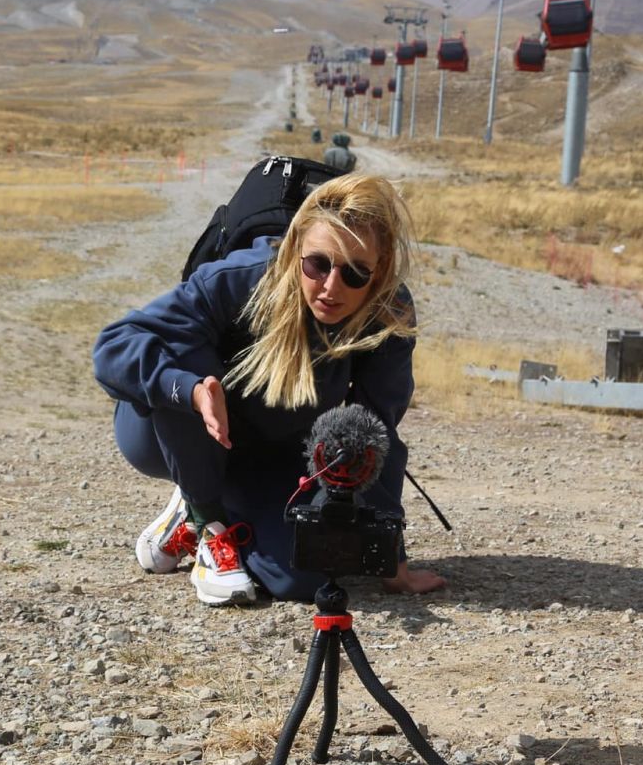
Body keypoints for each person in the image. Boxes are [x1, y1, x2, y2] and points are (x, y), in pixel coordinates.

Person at [92, 172, 446, 606]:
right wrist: (190, 390)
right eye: (318, 264)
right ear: (296, 248)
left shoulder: (389, 315)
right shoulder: (239, 279)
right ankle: (207, 518)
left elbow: (371, 432)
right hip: (173, 433)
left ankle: (207, 507)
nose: (332, 287)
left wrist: (391, 557)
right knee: (182, 351)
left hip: (273, 454)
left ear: (380, 271)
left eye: (355, 273)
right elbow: (114, 347)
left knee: (306, 579)